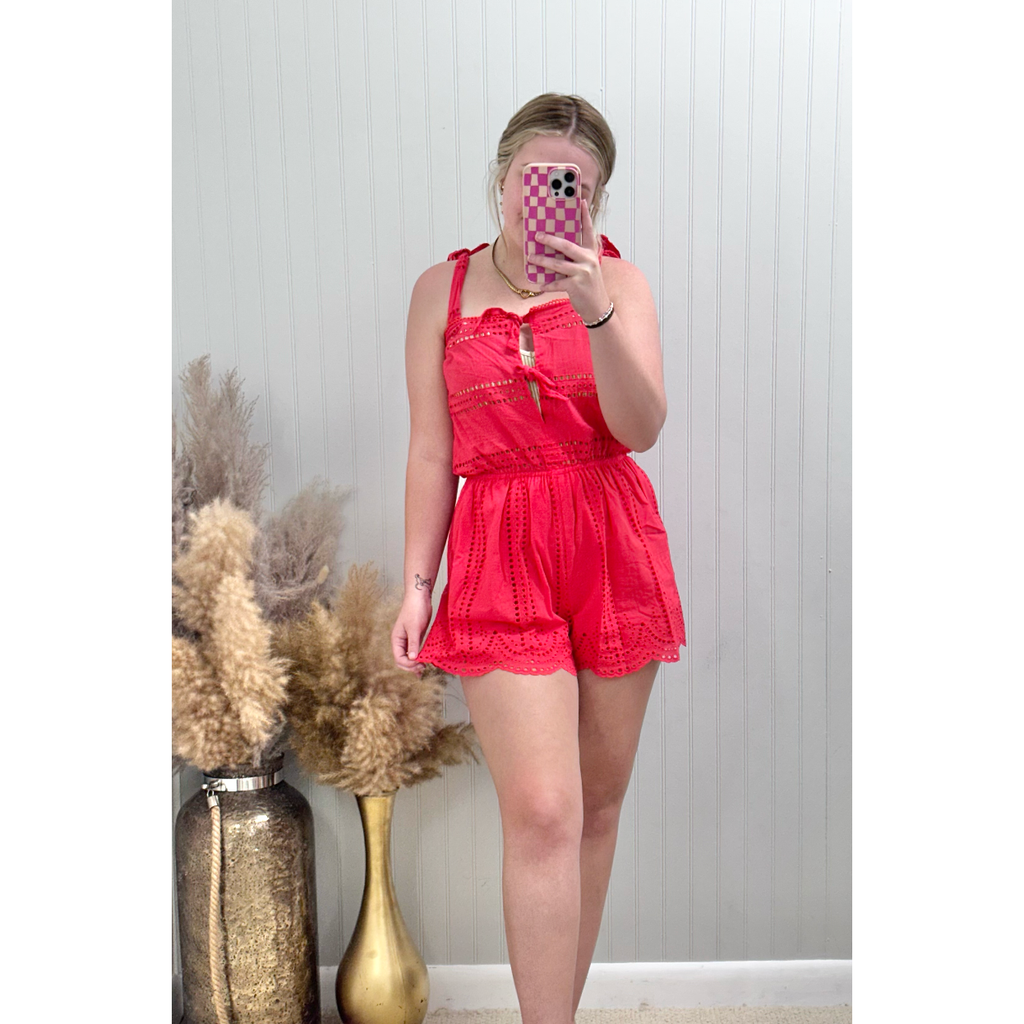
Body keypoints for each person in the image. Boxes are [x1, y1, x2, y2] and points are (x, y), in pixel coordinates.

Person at [391, 93, 686, 1024]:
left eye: (577, 186)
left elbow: (640, 428)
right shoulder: (440, 293)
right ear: (503, 177)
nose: (553, 198)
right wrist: (417, 586)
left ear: (595, 198)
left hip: (609, 542)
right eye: (538, 177)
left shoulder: (620, 284)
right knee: (545, 813)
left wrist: (595, 310)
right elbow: (432, 451)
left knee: (595, 812)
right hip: (499, 553)